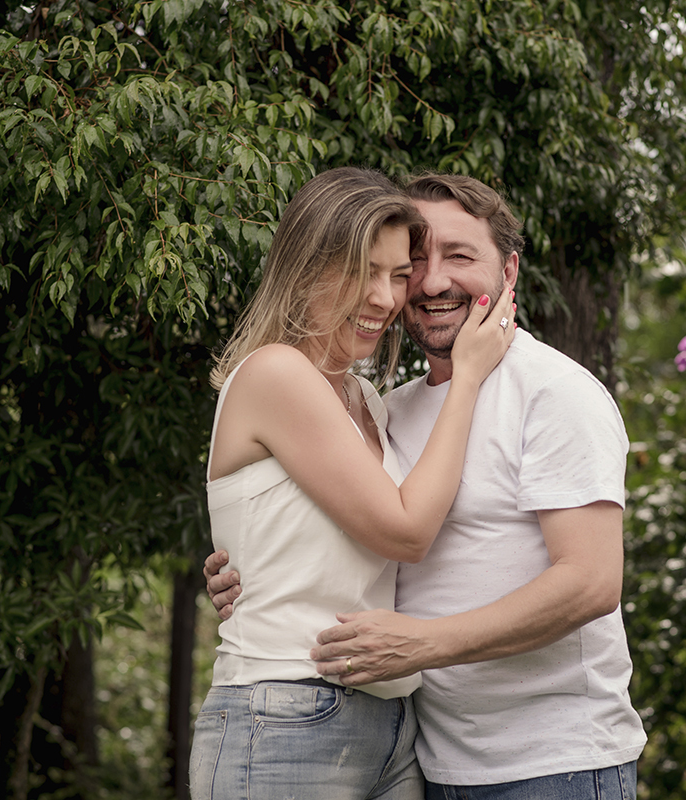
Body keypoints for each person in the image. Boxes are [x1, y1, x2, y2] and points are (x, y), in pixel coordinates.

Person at [207, 173, 647, 799]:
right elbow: (359, 530)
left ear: (509, 272)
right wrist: (254, 571)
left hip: (550, 761)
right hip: (428, 753)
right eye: (414, 263)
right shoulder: (391, 408)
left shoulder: (553, 392)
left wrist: (422, 646)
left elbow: (592, 582)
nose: (429, 282)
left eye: (459, 256)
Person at [189, 167, 515, 800]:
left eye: (397, 275)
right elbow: (407, 531)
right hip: (285, 713)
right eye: (363, 271)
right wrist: (469, 376)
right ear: (306, 267)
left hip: (391, 720)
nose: (385, 298)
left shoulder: (365, 399)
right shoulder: (277, 373)